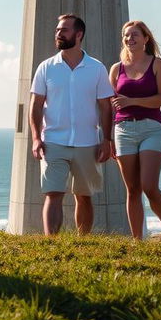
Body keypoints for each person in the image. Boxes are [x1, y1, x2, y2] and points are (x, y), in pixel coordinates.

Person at [29, 14, 114, 236]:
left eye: (64, 30)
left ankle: (82, 242)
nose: (58, 34)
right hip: (53, 141)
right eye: (58, 30)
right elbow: (36, 105)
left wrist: (107, 140)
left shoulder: (96, 68)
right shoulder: (46, 67)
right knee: (53, 193)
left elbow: (106, 107)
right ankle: (51, 244)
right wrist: (36, 138)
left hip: (88, 143)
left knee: (84, 196)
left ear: (78, 35)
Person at [109, 20, 161, 245]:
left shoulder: (157, 64)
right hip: (123, 130)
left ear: (146, 38)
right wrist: (109, 137)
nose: (130, 39)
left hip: (151, 128)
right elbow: (110, 105)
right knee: (132, 189)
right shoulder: (116, 69)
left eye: (135, 35)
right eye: (126, 35)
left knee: (149, 185)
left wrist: (132, 100)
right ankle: (138, 241)